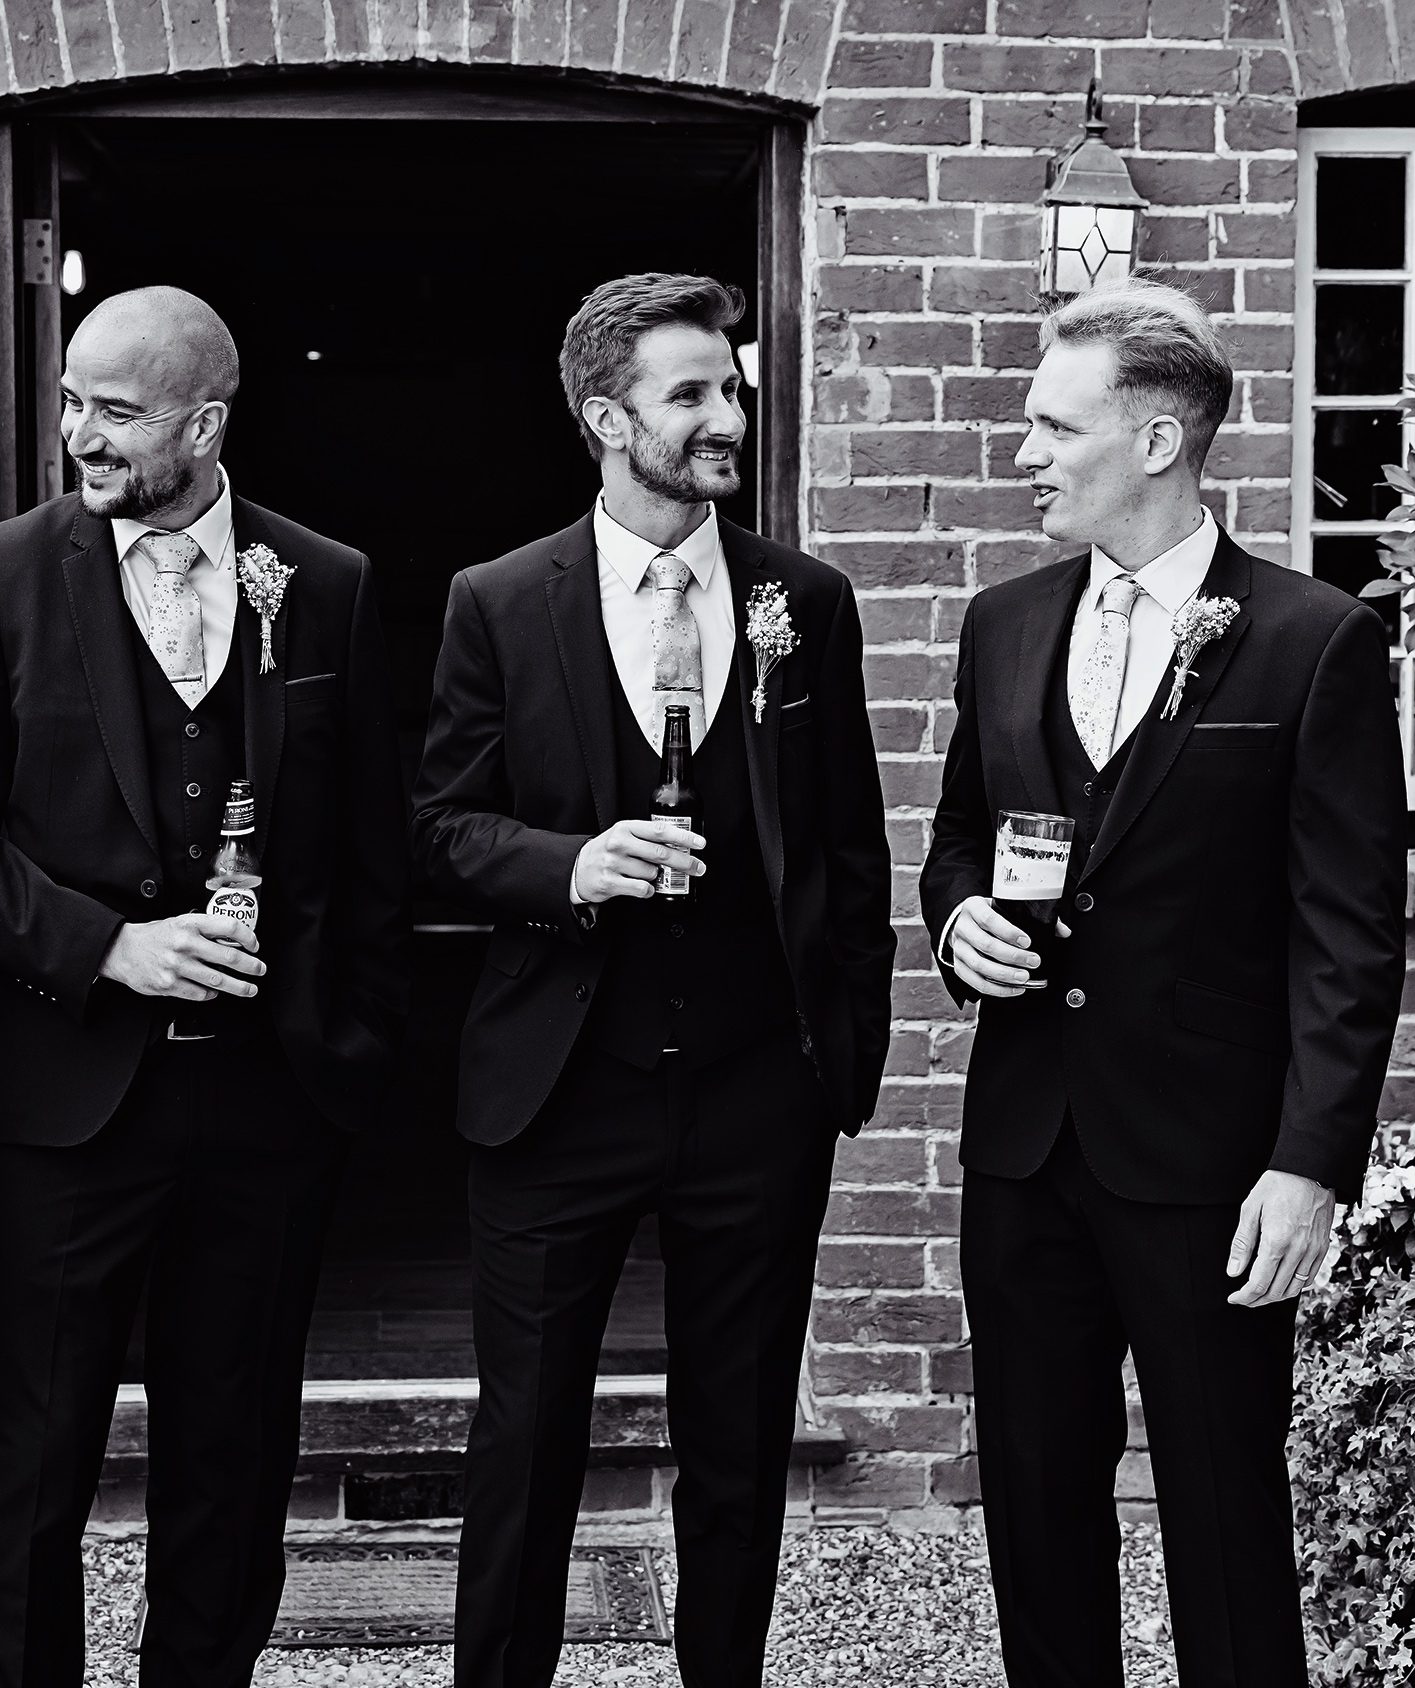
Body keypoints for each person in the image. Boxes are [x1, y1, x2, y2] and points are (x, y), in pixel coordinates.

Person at [0, 286, 409, 1688]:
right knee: (36, 1458)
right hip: (71, 1098)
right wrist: (106, 947)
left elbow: (374, 849)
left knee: (233, 1457)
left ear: (207, 420)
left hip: (266, 1105)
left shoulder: (328, 582)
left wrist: (344, 1049)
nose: (80, 436)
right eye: (71, 402)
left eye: (115, 411)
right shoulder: (3, 573)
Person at [412, 272, 894, 1688]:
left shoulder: (806, 602)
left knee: (738, 1439)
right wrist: (574, 863)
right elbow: (439, 833)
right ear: (605, 416)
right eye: (692, 393)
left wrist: (838, 1061)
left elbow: (850, 847)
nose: (726, 414)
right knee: (526, 1438)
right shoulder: (498, 602)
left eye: (731, 387)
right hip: (560, 1092)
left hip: (756, 1092)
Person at [920, 279, 1405, 1687]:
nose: (1021, 453)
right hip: (1025, 1149)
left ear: (1155, 441)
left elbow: (1348, 931)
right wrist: (959, 928)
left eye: (1048, 425)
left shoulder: (1313, 641)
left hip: (1209, 1163)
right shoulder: (1003, 622)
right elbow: (958, 838)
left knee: (1222, 1513)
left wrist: (1310, 1165)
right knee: (1035, 1504)